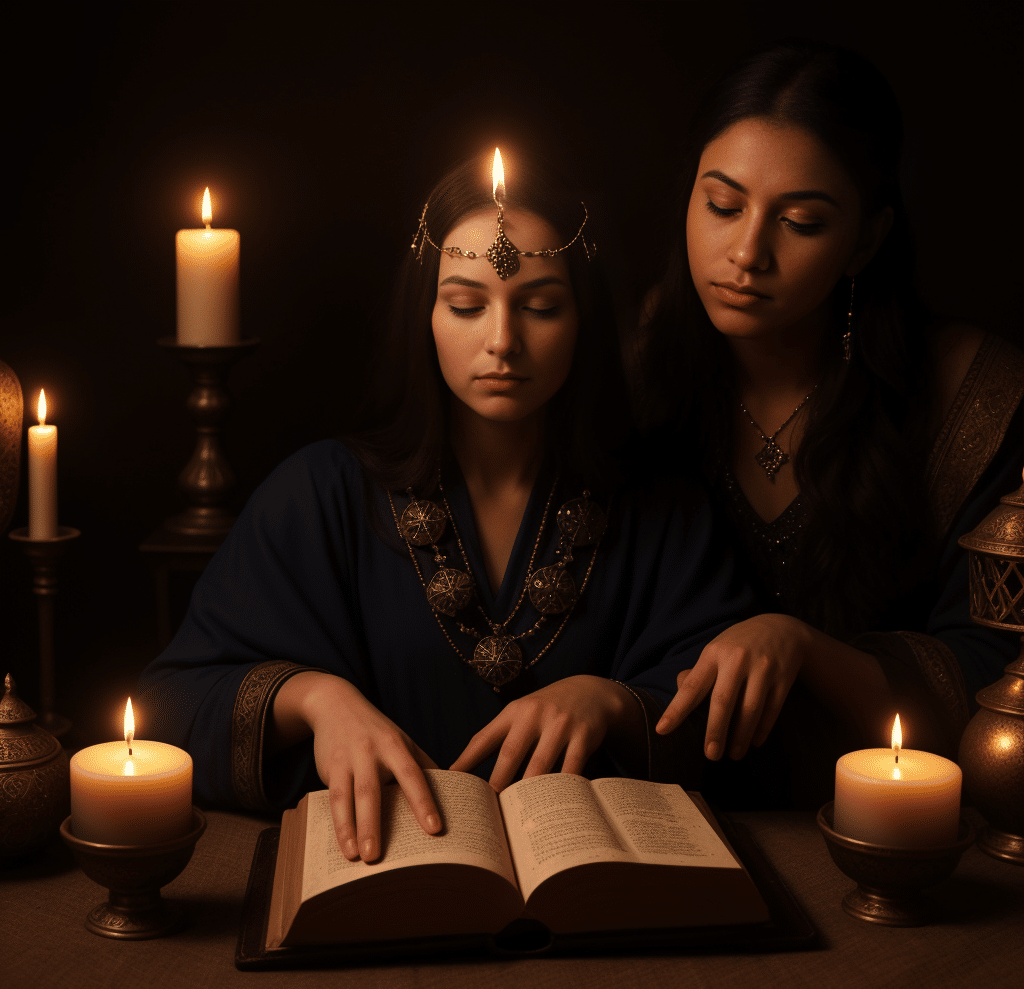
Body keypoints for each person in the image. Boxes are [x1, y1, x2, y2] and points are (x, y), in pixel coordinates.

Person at [139, 149, 751, 860]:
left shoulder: (659, 507)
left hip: (595, 901)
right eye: (465, 304)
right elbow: (167, 714)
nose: (502, 342)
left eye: (542, 306)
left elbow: (739, 721)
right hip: (385, 886)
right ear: (424, 314)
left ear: (584, 318)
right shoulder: (322, 494)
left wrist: (614, 704)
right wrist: (312, 700)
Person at [638, 39, 1024, 809]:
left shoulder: (970, 393)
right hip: (676, 807)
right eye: (721, 205)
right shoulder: (635, 376)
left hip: (899, 825)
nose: (747, 252)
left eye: (802, 222)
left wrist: (804, 648)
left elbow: (1002, 676)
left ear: (867, 240)